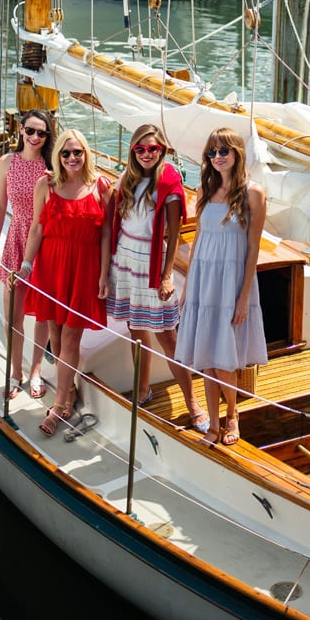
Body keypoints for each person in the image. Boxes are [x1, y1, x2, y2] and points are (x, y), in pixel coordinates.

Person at [100, 124, 209, 432]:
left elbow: (173, 235)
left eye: (153, 149)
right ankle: (143, 388)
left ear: (162, 151)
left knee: (168, 338)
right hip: (125, 258)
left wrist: (166, 277)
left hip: (152, 261)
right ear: (133, 151)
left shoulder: (169, 184)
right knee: (135, 329)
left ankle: (193, 403)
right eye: (141, 149)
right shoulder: (127, 179)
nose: (147, 154)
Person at [175, 127, 267, 446]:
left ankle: (232, 414)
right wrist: (187, 288)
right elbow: (199, 238)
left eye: (223, 151)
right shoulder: (203, 189)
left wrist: (243, 297)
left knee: (225, 360)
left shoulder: (253, 192)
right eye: (211, 153)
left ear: (237, 153)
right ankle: (213, 425)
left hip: (231, 283)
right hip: (203, 280)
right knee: (206, 357)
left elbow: (253, 248)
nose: (217, 158)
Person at [22, 128, 111, 436]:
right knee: (56, 336)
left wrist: (104, 274)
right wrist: (26, 264)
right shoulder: (45, 184)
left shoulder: (101, 186)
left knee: (70, 339)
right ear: (58, 156)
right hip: (51, 267)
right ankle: (70, 391)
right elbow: (36, 229)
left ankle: (59, 406)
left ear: (86, 154)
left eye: (77, 152)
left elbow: (106, 236)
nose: (72, 158)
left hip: (84, 269)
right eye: (66, 153)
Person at [0, 109, 55, 400]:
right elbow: (0, 205)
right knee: (12, 315)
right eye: (31, 131)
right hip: (16, 238)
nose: (36, 137)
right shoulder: (6, 162)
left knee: (41, 313)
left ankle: (36, 370)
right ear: (21, 131)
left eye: (42, 133)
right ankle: (16, 372)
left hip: (45, 241)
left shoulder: (52, 165)